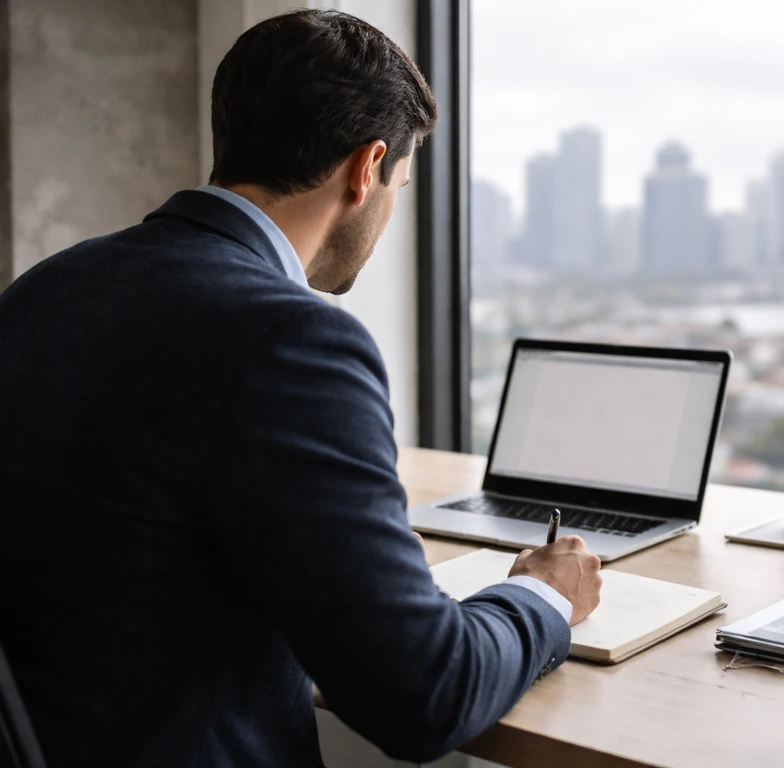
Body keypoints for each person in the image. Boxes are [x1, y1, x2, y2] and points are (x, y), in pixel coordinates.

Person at [0, 10, 602, 767]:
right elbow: (426, 696)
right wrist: (543, 594)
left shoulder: (47, 288)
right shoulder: (292, 339)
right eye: (400, 187)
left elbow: (132, 545)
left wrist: (345, 568)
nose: (387, 218)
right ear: (366, 168)